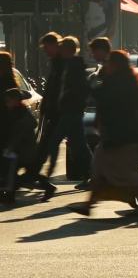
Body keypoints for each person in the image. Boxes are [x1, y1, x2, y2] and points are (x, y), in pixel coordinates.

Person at [69, 51, 138, 216]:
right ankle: (89, 204)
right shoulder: (129, 81)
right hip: (123, 134)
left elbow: (105, 99)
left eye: (109, 62)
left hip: (120, 135)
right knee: (103, 167)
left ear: (115, 64)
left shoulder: (117, 83)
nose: (106, 65)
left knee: (125, 171)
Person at [42, 37, 92, 189]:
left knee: (55, 141)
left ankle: (48, 174)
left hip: (72, 111)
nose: (60, 51)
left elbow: (81, 89)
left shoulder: (75, 66)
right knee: (79, 146)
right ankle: (92, 176)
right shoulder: (67, 65)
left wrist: (73, 103)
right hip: (68, 110)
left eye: (62, 48)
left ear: (69, 50)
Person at [3, 87, 56, 204]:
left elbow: (19, 135)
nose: (7, 104)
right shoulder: (16, 112)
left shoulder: (21, 114)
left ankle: (10, 195)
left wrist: (10, 147)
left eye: (8, 101)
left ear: (16, 100)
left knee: (17, 174)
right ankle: (48, 187)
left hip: (25, 150)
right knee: (30, 174)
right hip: (23, 149)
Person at [35, 32, 63, 180]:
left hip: (59, 110)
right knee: (51, 141)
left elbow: (56, 87)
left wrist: (50, 104)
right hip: (55, 109)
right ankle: (42, 170)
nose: (45, 50)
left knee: (49, 141)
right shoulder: (55, 62)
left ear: (54, 45)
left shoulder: (61, 63)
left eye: (46, 47)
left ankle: (37, 170)